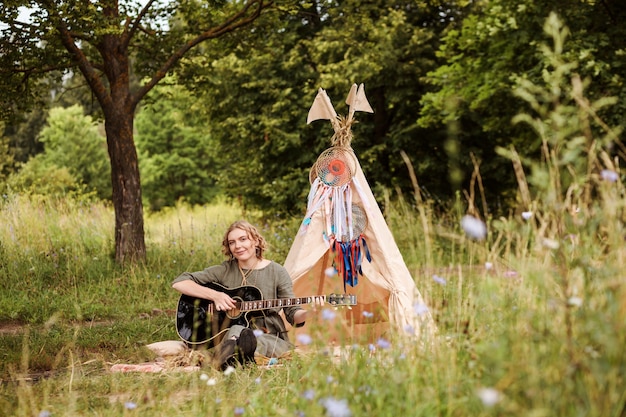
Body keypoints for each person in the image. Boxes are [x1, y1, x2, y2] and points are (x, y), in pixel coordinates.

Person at [172, 220, 319, 370]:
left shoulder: (277, 272)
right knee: (237, 328)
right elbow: (180, 282)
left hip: (268, 336)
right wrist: (215, 296)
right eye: (232, 242)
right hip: (227, 335)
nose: (238, 246)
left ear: (255, 241)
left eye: (243, 239)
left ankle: (232, 354)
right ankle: (238, 353)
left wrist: (310, 313)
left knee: (251, 338)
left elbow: (292, 312)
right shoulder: (225, 270)